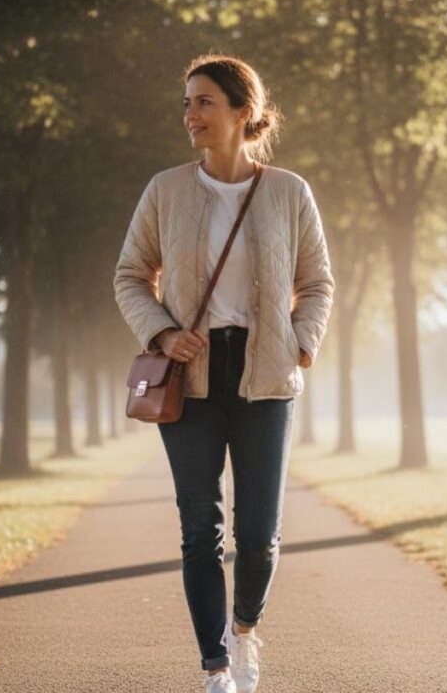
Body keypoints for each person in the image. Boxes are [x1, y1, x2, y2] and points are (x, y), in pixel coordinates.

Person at [113, 54, 334, 693]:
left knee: (259, 536)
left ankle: (244, 632)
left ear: (244, 110)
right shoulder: (165, 190)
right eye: (186, 103)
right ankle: (215, 669)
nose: (191, 115)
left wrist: (301, 341)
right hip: (192, 375)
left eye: (204, 102)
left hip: (265, 374)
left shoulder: (290, 191)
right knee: (197, 530)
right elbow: (130, 275)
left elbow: (317, 281)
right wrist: (160, 330)